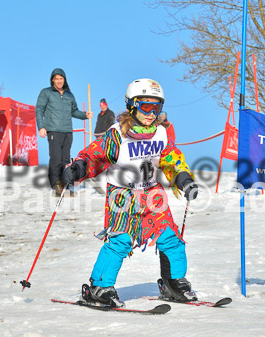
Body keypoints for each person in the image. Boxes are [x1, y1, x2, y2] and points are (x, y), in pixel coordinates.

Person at [61, 78, 199, 308]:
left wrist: (183, 179)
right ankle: (99, 287)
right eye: (146, 106)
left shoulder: (161, 134)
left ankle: (173, 283)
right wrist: (79, 167)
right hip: (122, 195)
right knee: (120, 240)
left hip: (152, 194)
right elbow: (95, 155)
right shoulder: (117, 134)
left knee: (170, 238)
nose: (152, 112)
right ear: (132, 105)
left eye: (157, 107)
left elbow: (171, 159)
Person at [35, 68, 93, 196]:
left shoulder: (69, 95)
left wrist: (85, 115)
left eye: (61, 78)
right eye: (56, 78)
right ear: (52, 80)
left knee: (66, 160)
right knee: (56, 158)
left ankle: (66, 184)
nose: (59, 81)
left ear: (64, 80)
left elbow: (74, 111)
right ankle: (56, 185)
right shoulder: (46, 93)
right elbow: (39, 110)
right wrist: (41, 127)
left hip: (67, 131)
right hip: (53, 131)